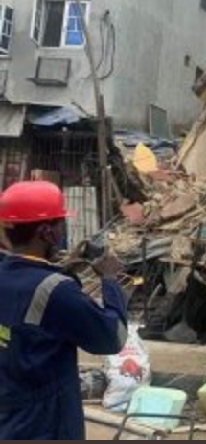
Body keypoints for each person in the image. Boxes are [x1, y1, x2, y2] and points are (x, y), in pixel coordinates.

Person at [0, 181, 128, 440]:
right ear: (47, 232)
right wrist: (111, 281)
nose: (62, 231)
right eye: (59, 224)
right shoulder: (55, 290)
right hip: (46, 426)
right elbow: (113, 337)